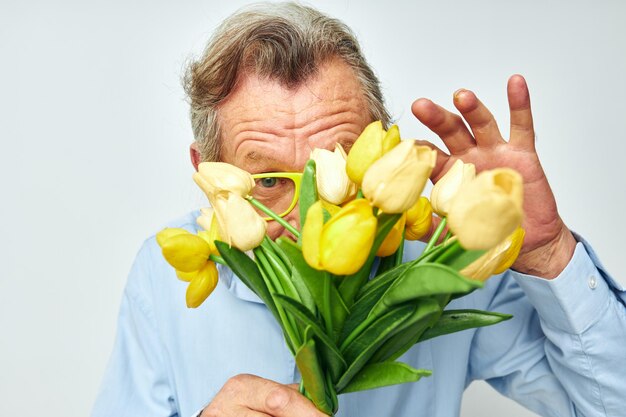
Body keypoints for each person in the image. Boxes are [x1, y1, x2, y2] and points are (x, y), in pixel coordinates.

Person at [91, 3, 626, 417]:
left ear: (386, 153)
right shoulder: (163, 269)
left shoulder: (446, 261)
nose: (308, 217)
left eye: (337, 168)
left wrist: (548, 254)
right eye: (271, 180)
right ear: (208, 173)